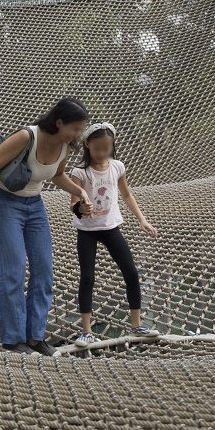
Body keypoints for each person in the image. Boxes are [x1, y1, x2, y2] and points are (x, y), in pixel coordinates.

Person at [0, 97, 92, 355]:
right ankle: (13, 339)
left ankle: (35, 338)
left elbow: (58, 176)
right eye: (75, 128)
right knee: (14, 270)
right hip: (4, 204)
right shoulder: (26, 136)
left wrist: (80, 192)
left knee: (44, 270)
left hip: (35, 205)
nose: (78, 134)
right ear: (59, 122)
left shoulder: (64, 147)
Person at [68, 122, 160, 348]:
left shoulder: (117, 166)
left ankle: (137, 324)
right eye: (97, 148)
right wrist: (81, 208)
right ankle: (86, 332)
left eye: (106, 148)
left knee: (131, 272)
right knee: (87, 277)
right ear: (87, 145)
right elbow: (73, 204)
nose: (102, 153)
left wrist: (142, 220)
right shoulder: (80, 172)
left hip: (111, 228)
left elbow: (127, 195)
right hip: (87, 231)